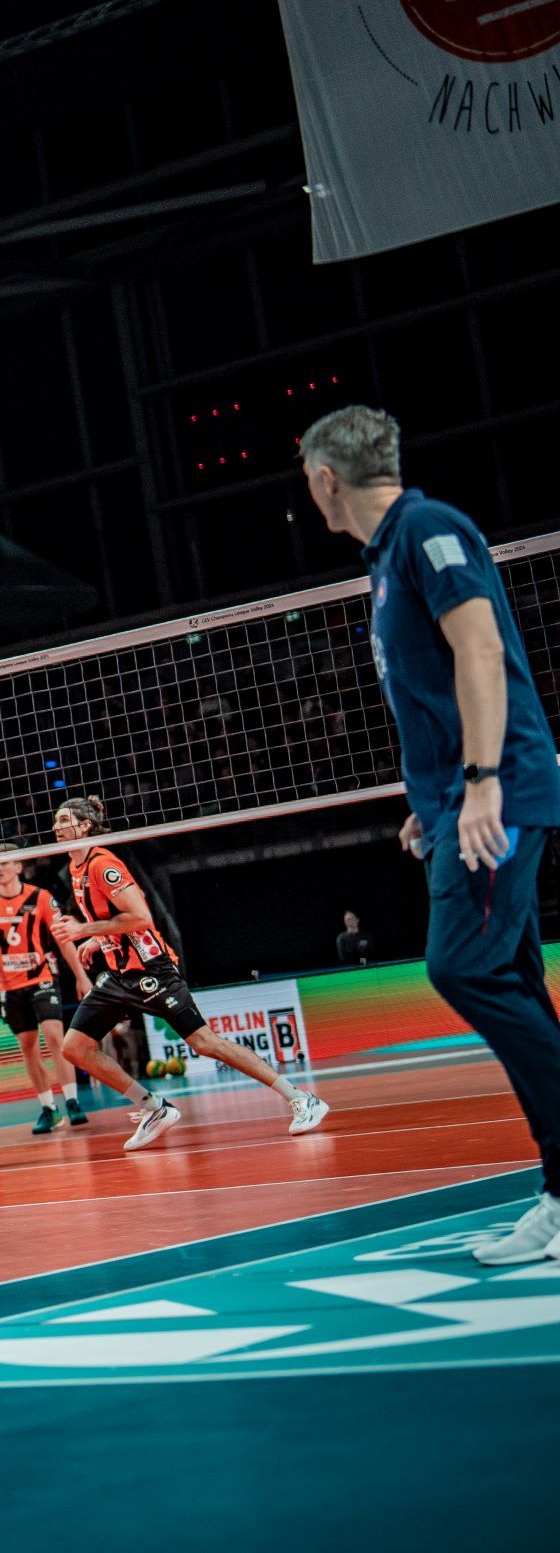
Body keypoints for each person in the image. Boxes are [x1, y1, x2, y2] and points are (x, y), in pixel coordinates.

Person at [301, 405, 560, 1265]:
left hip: (498, 790)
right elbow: (438, 688)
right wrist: (438, 797)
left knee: (464, 968)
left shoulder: (427, 529)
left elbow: (479, 652)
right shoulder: (387, 557)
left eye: (307, 480)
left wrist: (480, 783)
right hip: (461, 797)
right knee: (511, 976)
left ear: (327, 479)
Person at [49, 796, 330, 1150]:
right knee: (75, 1048)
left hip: (152, 969)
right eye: (56, 821)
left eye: (64, 820)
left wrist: (84, 930)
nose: (56, 827)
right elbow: (113, 918)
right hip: (119, 975)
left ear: (85, 825)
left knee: (204, 1043)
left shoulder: (103, 864)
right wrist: (98, 939)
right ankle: (154, 1108)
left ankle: (301, 1098)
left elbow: (140, 917)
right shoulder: (75, 867)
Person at [0, 845, 93, 1134]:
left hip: (41, 977)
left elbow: (63, 939)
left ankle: (72, 1101)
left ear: (18, 867)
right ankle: (49, 1109)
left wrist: (81, 976)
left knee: (55, 1037)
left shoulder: (41, 897)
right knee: (27, 1047)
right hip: (10, 985)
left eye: (4, 863)